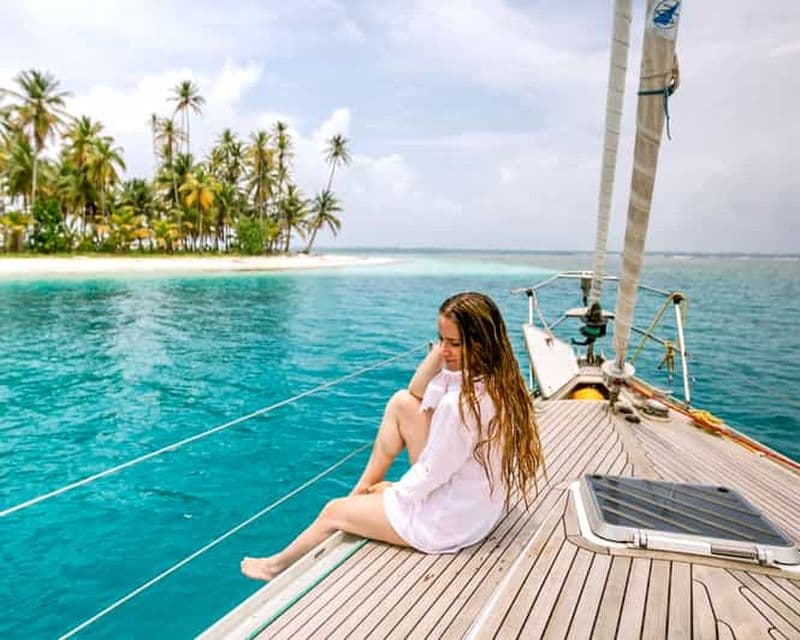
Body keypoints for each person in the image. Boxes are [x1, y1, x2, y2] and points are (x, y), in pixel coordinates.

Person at [241, 291, 543, 581]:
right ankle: (360, 494)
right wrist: (442, 353)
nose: (444, 351)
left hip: (448, 524)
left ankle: (274, 567)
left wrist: (393, 494)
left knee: (333, 511)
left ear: (481, 344)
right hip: (477, 510)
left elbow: (431, 472)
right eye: (440, 341)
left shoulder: (460, 405)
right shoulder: (499, 383)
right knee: (401, 403)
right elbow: (415, 393)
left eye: (454, 343)